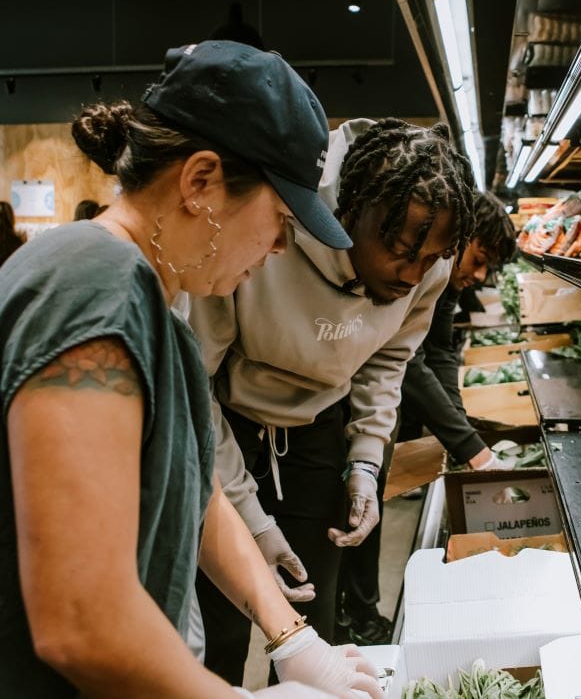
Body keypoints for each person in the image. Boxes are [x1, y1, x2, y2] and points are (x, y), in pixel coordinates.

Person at [0, 42, 382, 699]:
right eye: (280, 221)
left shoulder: (153, 301)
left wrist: (289, 633)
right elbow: (80, 621)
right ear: (199, 182)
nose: (276, 249)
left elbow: (191, 483)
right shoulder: (93, 287)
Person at [192, 118, 476, 684]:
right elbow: (193, 392)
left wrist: (366, 463)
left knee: (312, 628)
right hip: (224, 426)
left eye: (433, 260)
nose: (414, 276)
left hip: (320, 428)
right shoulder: (267, 231)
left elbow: (388, 361)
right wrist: (252, 523)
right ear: (350, 213)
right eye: (400, 251)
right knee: (220, 628)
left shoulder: (426, 267)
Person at [335, 191, 518, 644]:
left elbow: (437, 355)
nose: (478, 276)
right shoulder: (424, 269)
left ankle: (360, 614)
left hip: (378, 407)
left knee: (368, 503)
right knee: (347, 511)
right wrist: (472, 450)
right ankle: (346, 622)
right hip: (349, 404)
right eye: (479, 259)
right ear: (461, 235)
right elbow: (408, 363)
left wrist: (467, 439)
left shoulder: (446, 285)